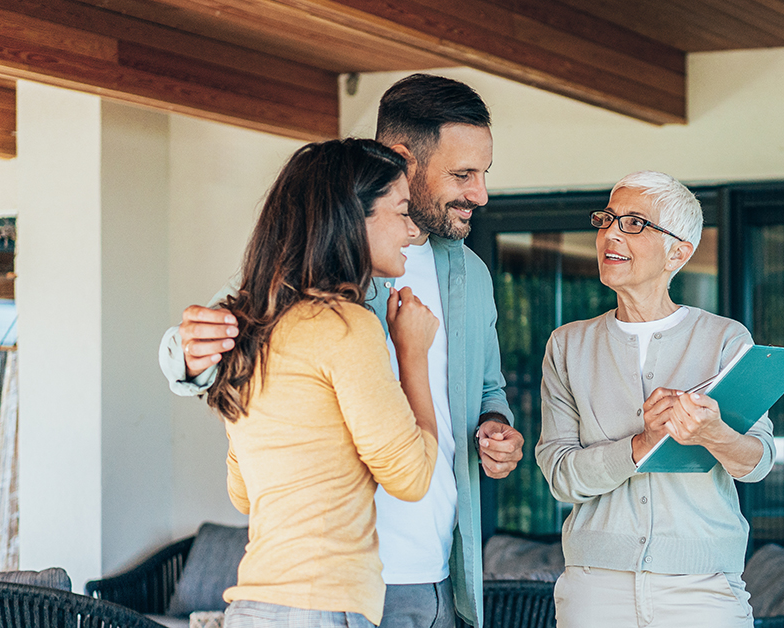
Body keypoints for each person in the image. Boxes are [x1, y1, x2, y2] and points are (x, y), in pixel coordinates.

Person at [158, 74, 524, 628]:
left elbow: (487, 388)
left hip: (435, 572)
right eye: (462, 174)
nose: (480, 194)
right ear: (402, 159)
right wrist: (184, 357)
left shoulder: (470, 274)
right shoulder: (323, 292)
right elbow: (221, 330)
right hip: (352, 581)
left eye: (483, 175)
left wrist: (496, 425)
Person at [213, 139, 439, 628]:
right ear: (354, 218)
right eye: (400, 211)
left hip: (252, 608)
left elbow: (244, 494)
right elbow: (412, 477)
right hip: (318, 608)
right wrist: (412, 355)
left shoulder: (254, 328)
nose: (411, 228)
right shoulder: (345, 327)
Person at [535, 171, 775, 628]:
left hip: (702, 586)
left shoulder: (724, 339)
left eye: (634, 224)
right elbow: (561, 476)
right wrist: (642, 444)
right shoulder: (567, 346)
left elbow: (757, 462)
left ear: (679, 253)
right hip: (595, 587)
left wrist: (714, 433)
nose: (609, 233)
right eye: (607, 219)